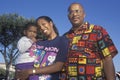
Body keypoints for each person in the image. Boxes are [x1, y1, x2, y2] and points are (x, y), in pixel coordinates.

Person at [62, 2, 118, 80]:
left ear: (84, 14)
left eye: (77, 11)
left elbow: (107, 58)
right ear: (68, 16)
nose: (74, 14)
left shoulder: (97, 30)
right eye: (71, 12)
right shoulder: (65, 37)